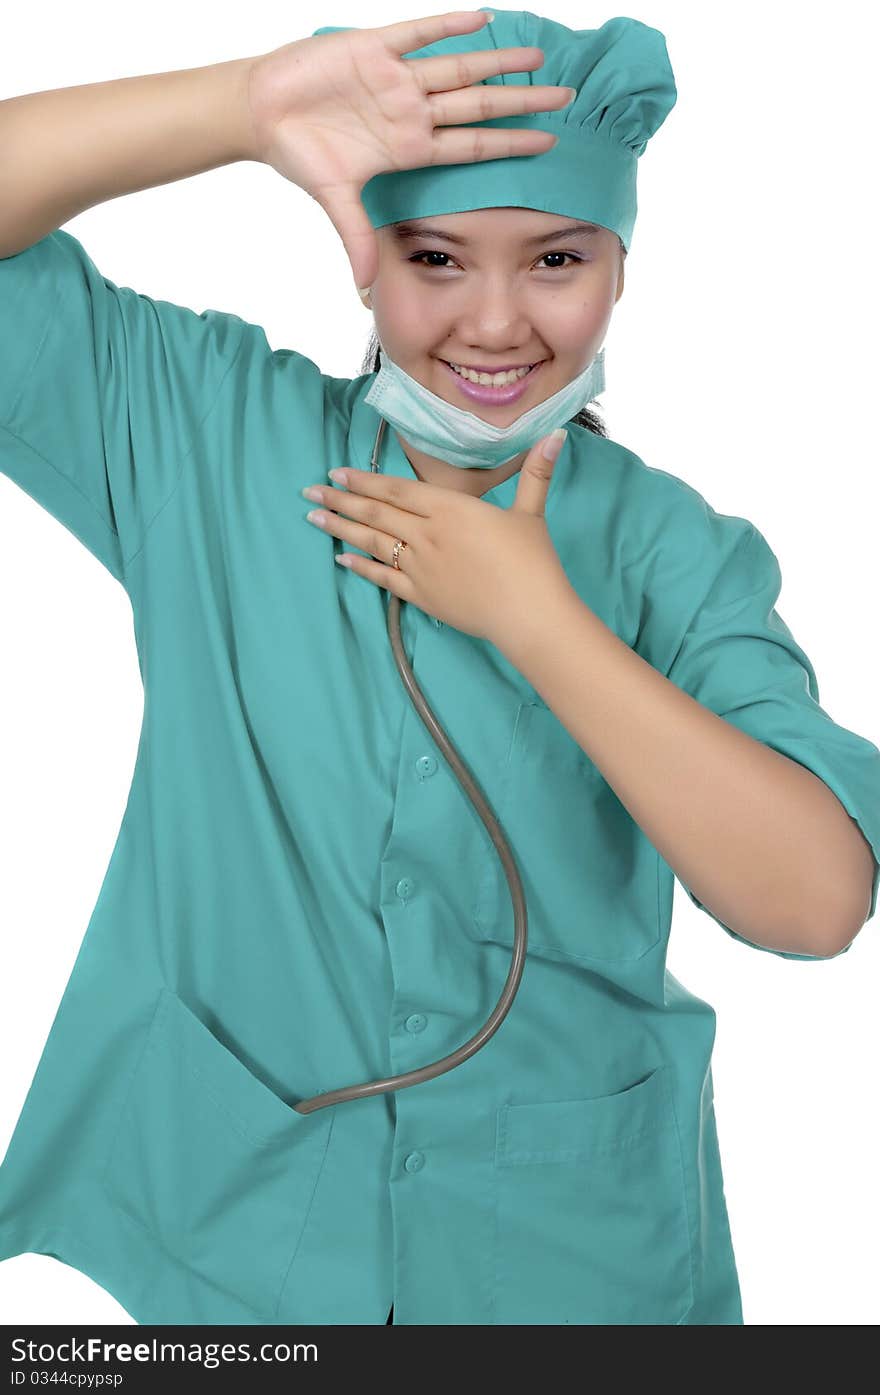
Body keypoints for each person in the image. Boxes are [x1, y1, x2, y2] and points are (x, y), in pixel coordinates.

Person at [1, 7, 879, 1327]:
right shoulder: (208, 428)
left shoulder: (677, 554)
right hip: (236, 1233)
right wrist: (241, 107)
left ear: (623, 267)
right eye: (435, 256)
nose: (496, 321)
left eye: (557, 259)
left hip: (572, 1260)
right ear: (364, 256)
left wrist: (541, 622)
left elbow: (813, 904)